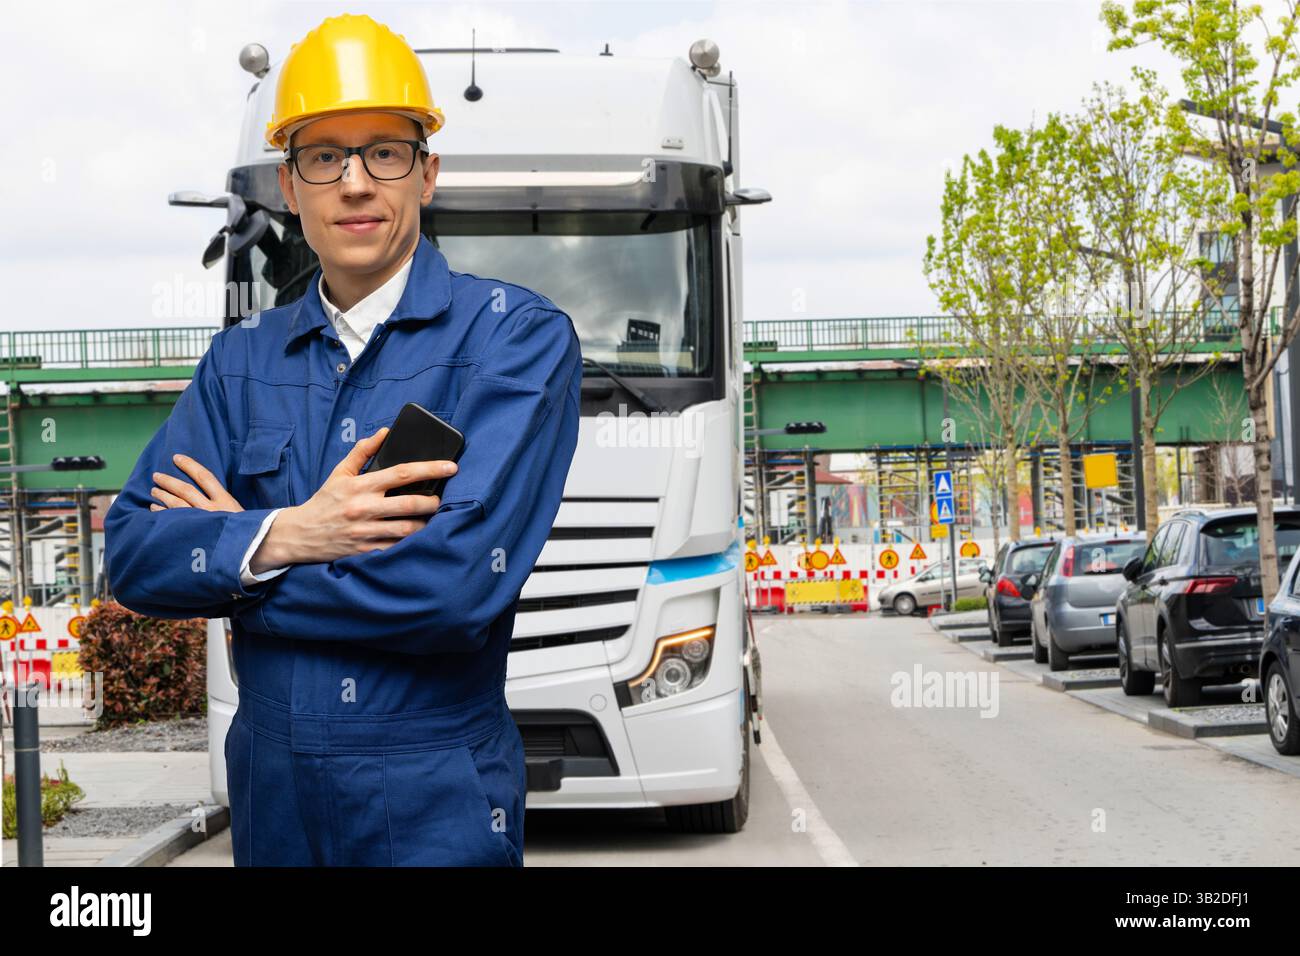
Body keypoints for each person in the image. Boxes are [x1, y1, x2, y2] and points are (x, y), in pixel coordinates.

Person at [102, 13, 583, 866]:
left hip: (437, 795)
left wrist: (238, 564)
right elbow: (136, 554)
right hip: (272, 800)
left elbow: (454, 587)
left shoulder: (515, 341)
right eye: (325, 156)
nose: (356, 183)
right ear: (290, 187)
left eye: (384, 153)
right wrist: (292, 533)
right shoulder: (241, 360)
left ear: (426, 174)